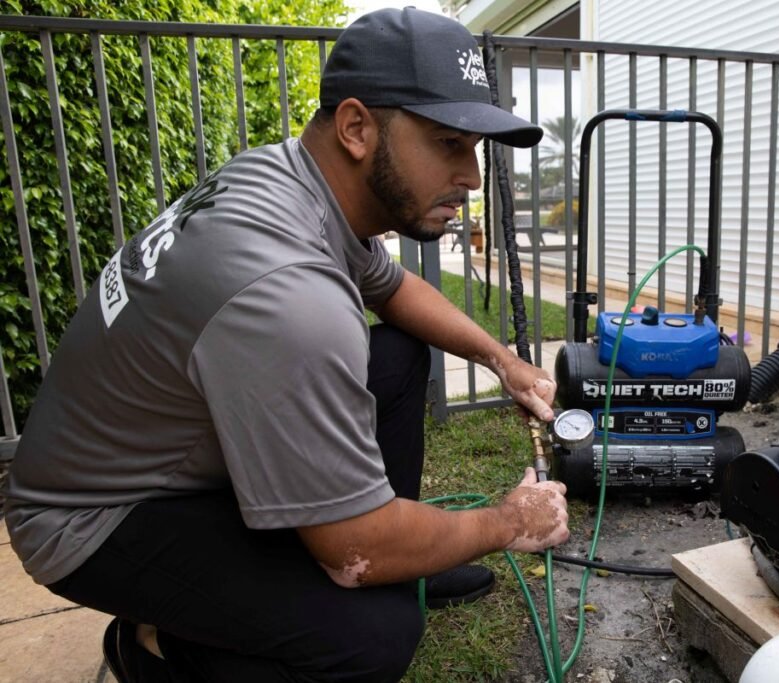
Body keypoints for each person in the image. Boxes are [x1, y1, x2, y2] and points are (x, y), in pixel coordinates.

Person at [2, 7, 570, 682]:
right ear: (358, 127)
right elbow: (351, 547)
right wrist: (505, 521)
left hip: (165, 448)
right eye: (451, 142)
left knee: (394, 356)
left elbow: (391, 290)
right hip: (96, 517)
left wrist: (502, 360)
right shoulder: (288, 293)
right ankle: (155, 648)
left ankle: (403, 562)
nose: (473, 175)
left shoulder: (289, 178)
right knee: (373, 636)